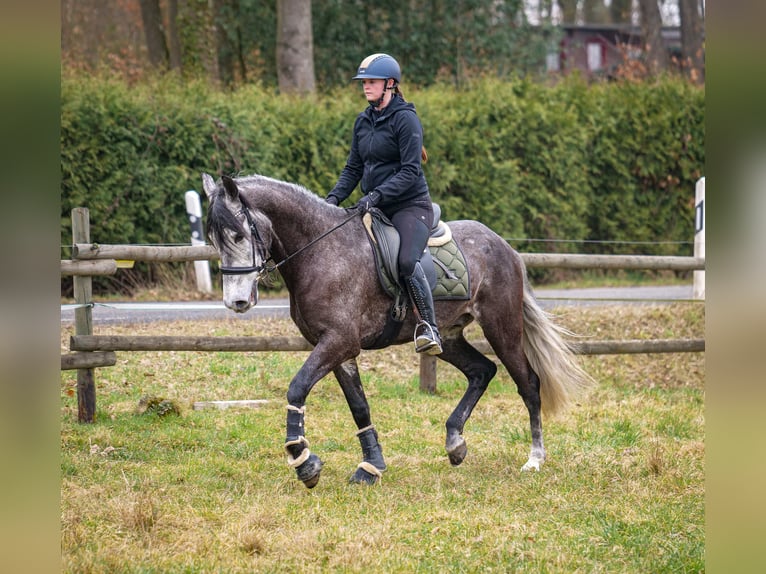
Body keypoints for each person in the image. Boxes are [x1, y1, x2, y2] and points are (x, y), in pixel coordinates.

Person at [326, 53, 442, 355]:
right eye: (363, 82)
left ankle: (429, 326)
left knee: (406, 261)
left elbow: (410, 171)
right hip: (374, 207)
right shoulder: (363, 121)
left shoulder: (406, 119)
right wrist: (332, 200)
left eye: (372, 82)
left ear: (390, 84)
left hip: (409, 206)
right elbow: (353, 168)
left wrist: (375, 195)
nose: (366, 87)